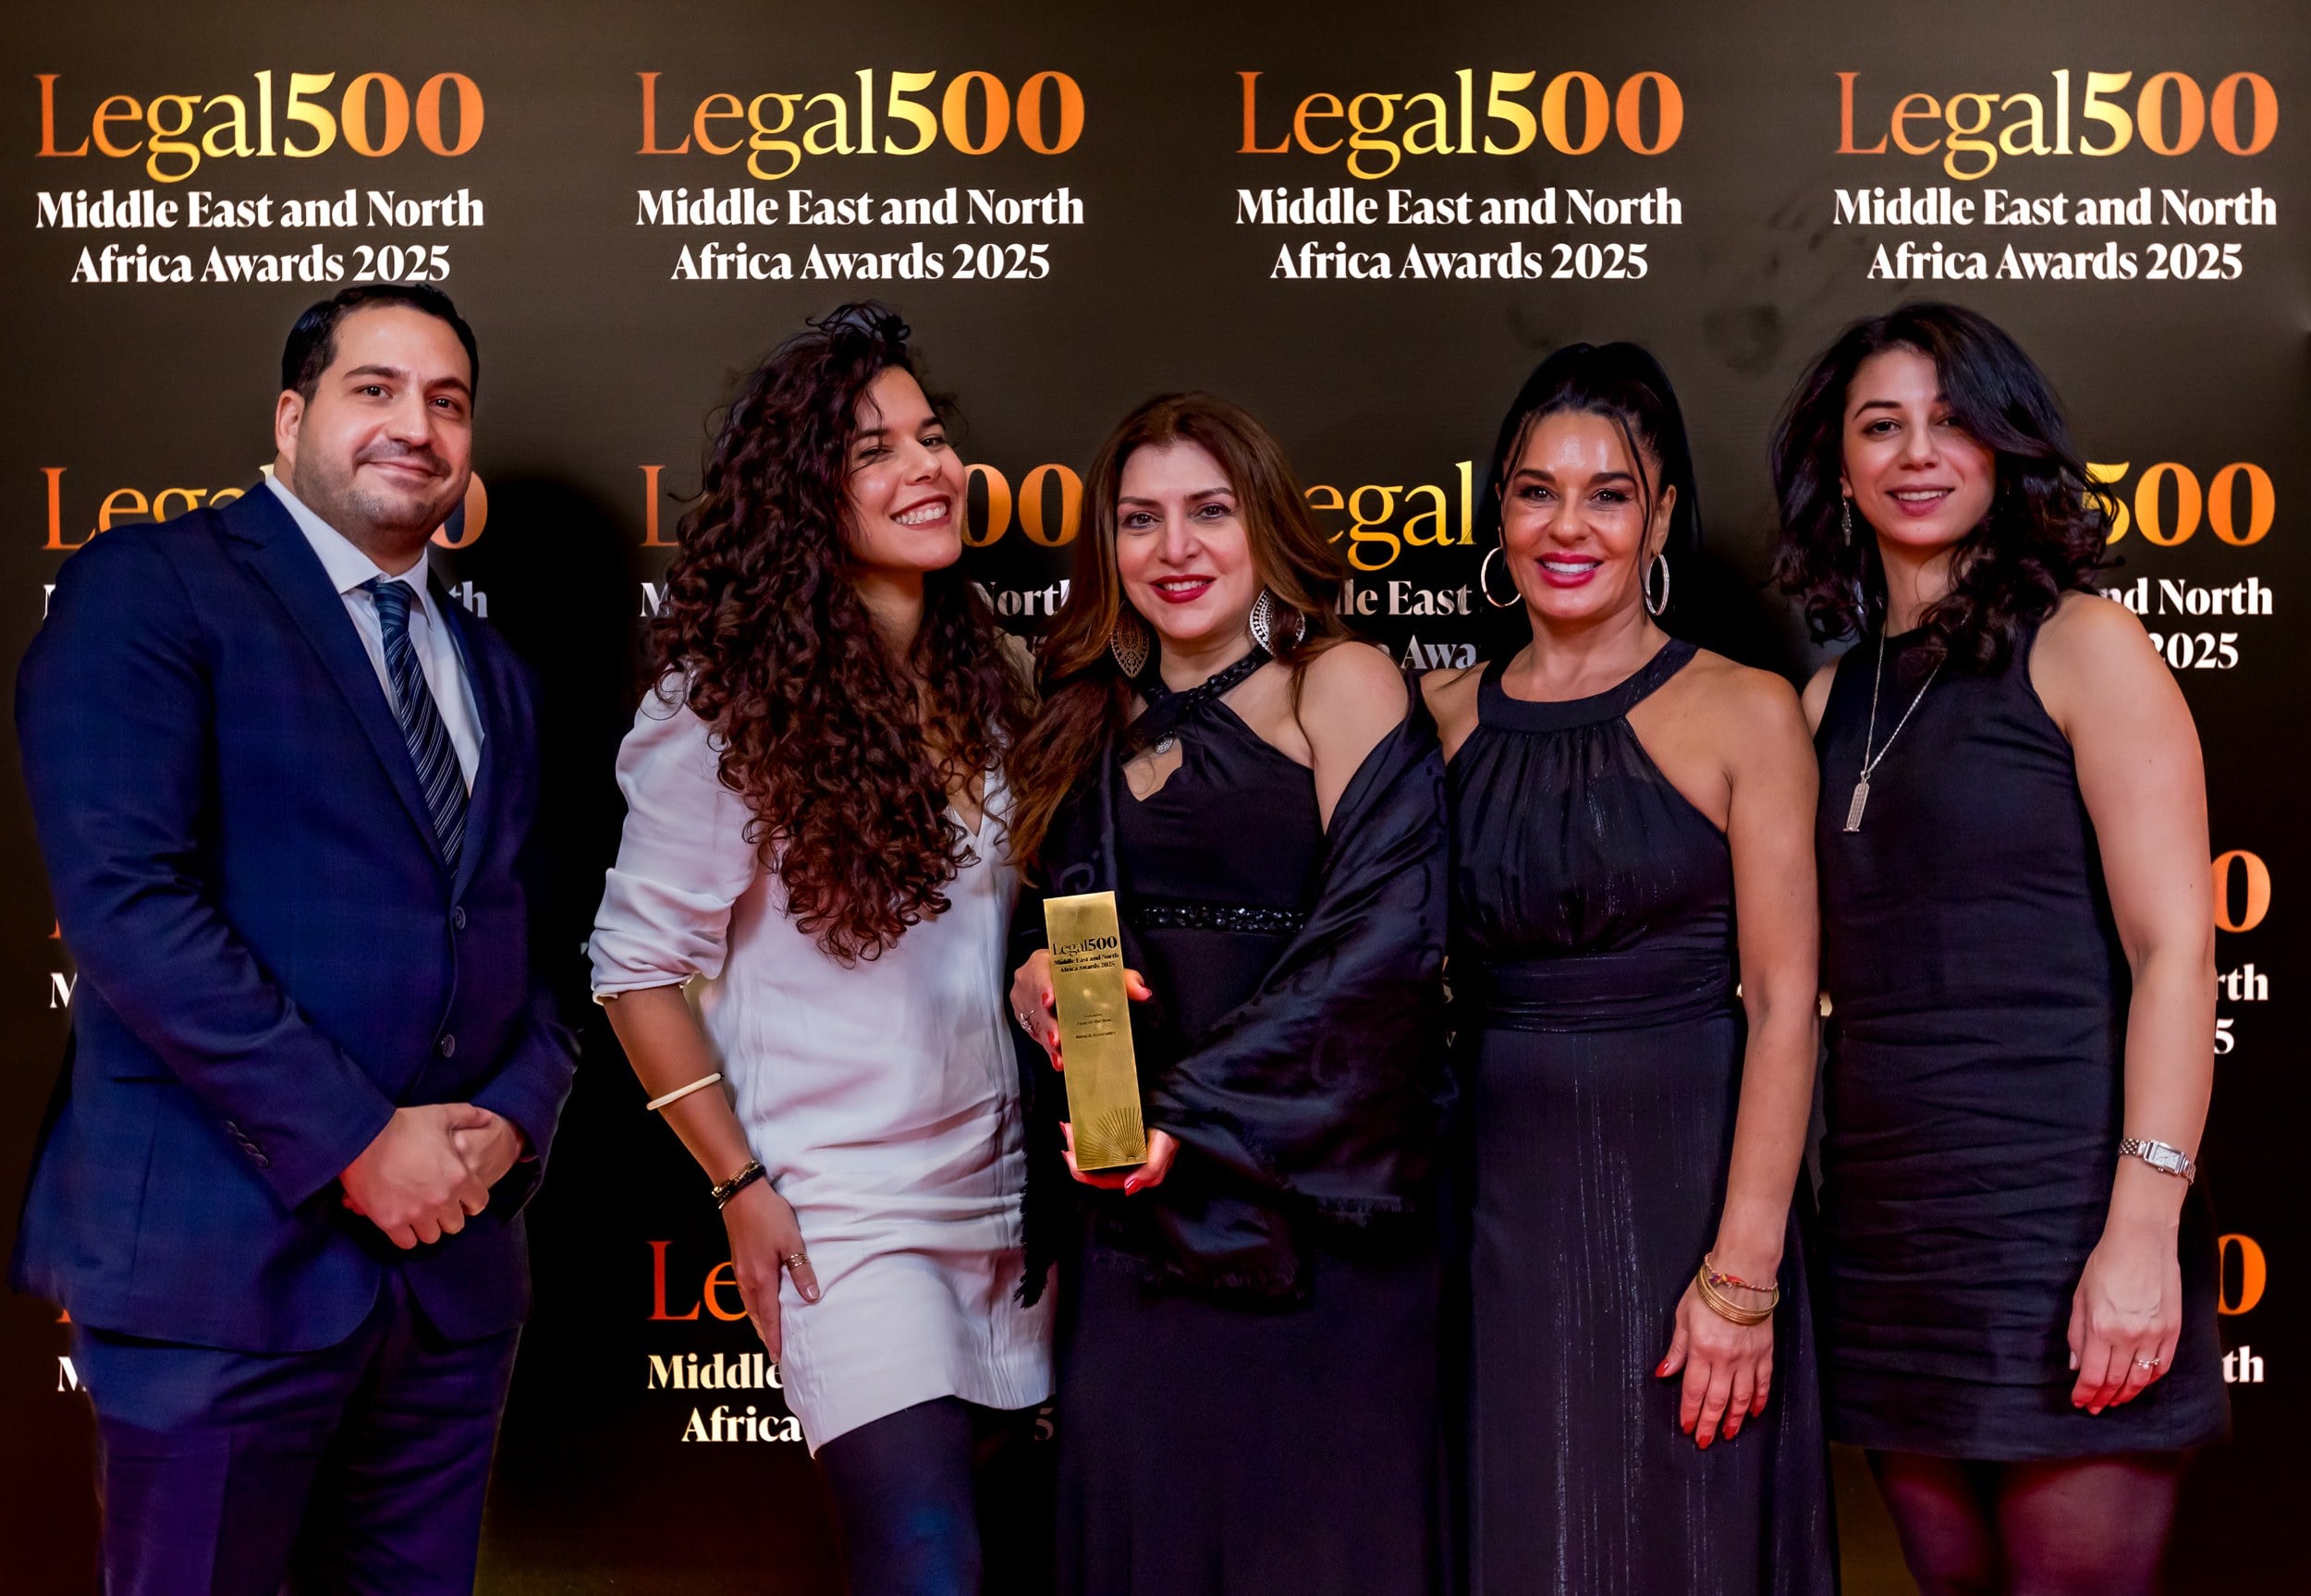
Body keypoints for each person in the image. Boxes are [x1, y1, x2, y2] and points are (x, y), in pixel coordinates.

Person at [12, 284, 574, 1594]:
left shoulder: (496, 673)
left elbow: (538, 938)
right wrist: (359, 1143)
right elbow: (129, 906)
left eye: (447, 401)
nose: (416, 426)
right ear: (289, 416)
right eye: (375, 389)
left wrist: (516, 1114)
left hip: (448, 1292)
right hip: (218, 1271)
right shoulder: (149, 588)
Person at [588, 304, 1048, 1596]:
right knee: (925, 1566)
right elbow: (634, 971)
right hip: (850, 1217)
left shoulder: (995, 681)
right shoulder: (722, 710)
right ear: (802, 497)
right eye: (871, 451)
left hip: (1019, 1205)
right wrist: (741, 1183)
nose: (926, 467)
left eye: (932, 436)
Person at [1773, 302, 2227, 1595]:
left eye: (1954, 421)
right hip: (1892, 1235)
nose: (1919, 453)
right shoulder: (1826, 697)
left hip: (2065, 1217)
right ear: (1840, 466)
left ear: (2005, 450)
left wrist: (2141, 1230)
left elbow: (2176, 955)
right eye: (1883, 426)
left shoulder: (2086, 646)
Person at [1004, 392, 1450, 1596]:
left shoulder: (1336, 681)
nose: (1175, 548)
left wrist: (1191, 1118)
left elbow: (1384, 948)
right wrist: (1034, 980)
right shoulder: (1078, 715)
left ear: (1264, 523)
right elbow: (1051, 934)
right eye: (1140, 519)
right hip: (1128, 1224)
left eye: (1209, 511)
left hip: (1315, 1218)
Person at [1425, 343, 1836, 1595]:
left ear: (1658, 519)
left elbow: (1785, 1009)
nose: (1569, 527)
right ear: (1499, 512)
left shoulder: (1746, 709)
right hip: (1494, 1218)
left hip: (1689, 1204)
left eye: (1608, 494)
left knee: (1684, 1542)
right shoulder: (1438, 717)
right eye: (1536, 491)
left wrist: (1742, 1278)